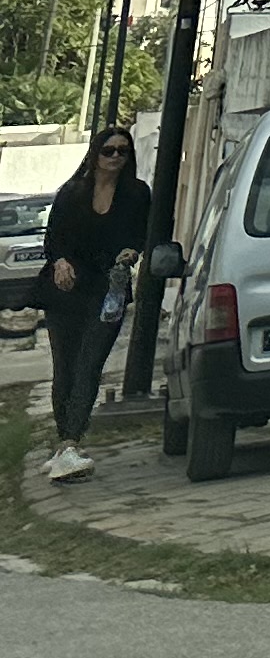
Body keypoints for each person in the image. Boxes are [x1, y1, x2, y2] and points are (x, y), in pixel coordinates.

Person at [36, 126, 151, 483]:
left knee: (90, 363)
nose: (115, 157)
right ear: (95, 153)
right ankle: (63, 446)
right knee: (65, 368)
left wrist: (133, 252)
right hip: (65, 289)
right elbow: (53, 239)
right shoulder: (72, 193)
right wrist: (60, 262)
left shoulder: (137, 194)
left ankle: (71, 443)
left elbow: (144, 234)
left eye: (123, 152)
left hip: (109, 291)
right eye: (109, 151)